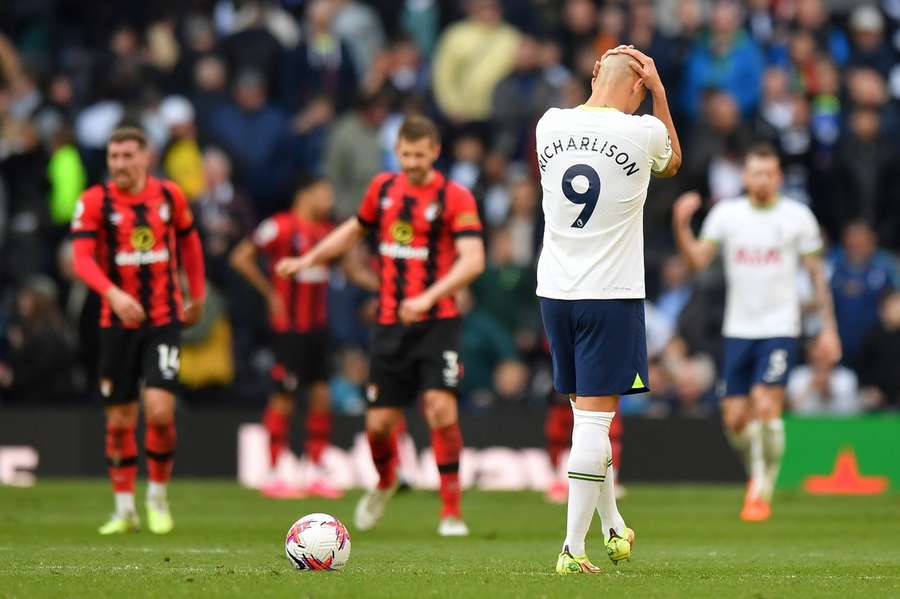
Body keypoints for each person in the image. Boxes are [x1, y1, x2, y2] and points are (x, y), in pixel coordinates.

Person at [276, 116, 485, 537]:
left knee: (441, 411)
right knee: (378, 425)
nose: (411, 163)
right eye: (404, 154)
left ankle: (451, 511)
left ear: (435, 151)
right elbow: (353, 231)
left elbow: (474, 259)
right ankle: (387, 479)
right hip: (390, 324)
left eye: (419, 155)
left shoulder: (454, 197)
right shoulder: (384, 190)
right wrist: (308, 259)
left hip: (437, 322)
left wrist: (428, 296)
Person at [536, 45, 682, 574]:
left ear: (593, 72)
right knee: (595, 426)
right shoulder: (642, 133)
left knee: (584, 421)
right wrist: (661, 96)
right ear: (640, 89)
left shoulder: (548, 125)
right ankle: (572, 550)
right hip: (610, 295)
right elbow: (673, 163)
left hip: (554, 292)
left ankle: (612, 524)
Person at [673, 145, 841, 523]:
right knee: (735, 419)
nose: (762, 180)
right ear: (745, 177)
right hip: (738, 330)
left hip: (780, 327)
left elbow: (817, 276)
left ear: (778, 177)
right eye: (755, 173)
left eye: (768, 173)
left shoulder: (797, 217)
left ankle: (760, 489)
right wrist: (681, 225)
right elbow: (698, 260)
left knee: (766, 406)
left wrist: (828, 329)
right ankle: (758, 474)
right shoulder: (727, 215)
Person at [70, 127, 206, 535]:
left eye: (128, 156)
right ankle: (124, 508)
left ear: (147, 158)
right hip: (116, 324)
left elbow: (191, 245)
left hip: (163, 320)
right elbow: (82, 259)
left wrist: (195, 294)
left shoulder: (169, 196)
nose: (120, 165)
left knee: (160, 413)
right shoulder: (95, 200)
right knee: (119, 422)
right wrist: (112, 294)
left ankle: (158, 498)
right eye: (114, 157)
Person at [230, 174, 372, 499]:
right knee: (284, 397)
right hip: (288, 328)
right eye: (324, 192)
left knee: (321, 395)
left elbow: (350, 269)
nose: (329, 199)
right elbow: (240, 257)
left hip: (318, 328)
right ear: (304, 194)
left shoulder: (326, 233)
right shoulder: (279, 226)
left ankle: (316, 470)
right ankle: (274, 470)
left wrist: (381, 288)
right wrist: (270, 293)